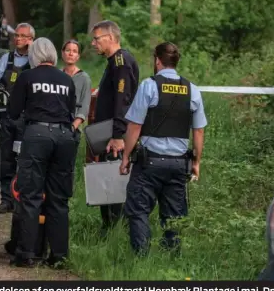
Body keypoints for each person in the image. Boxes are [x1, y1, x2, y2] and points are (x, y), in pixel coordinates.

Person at [119, 42, 207, 256]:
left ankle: (141, 258)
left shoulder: (149, 86)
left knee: (138, 210)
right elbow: (198, 132)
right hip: (178, 163)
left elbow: (135, 126)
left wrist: (125, 157)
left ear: (157, 61)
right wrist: (196, 162)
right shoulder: (192, 90)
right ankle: (172, 261)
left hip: (149, 163)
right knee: (174, 215)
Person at [8, 37, 78, 268]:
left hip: (37, 135)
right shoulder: (67, 80)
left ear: (34, 55)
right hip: (65, 138)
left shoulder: (27, 77)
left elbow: (13, 111)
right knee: (59, 199)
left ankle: (26, 253)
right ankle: (59, 256)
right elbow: (70, 112)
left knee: (31, 196)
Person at [90, 20, 140, 237]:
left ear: (110, 38)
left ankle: (114, 230)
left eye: (96, 38)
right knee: (105, 180)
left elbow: (123, 100)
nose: (93, 43)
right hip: (107, 131)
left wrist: (119, 135)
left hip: (115, 134)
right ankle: (108, 226)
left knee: (114, 182)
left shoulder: (121, 62)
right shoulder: (112, 62)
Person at [0, 23, 35, 214]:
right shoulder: (5, 59)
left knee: (25, 159)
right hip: (6, 117)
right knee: (6, 159)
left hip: (27, 118)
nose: (18, 39)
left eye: (23, 36)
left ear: (31, 39)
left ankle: (23, 199)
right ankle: (7, 199)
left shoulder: (35, 60)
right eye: (16, 35)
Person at [61, 39, 92, 169]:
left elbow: (85, 105)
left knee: (68, 166)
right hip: (56, 126)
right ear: (62, 53)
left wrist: (73, 127)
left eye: (74, 51)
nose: (71, 54)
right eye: (68, 50)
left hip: (73, 127)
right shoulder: (58, 75)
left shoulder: (84, 78)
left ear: (78, 56)